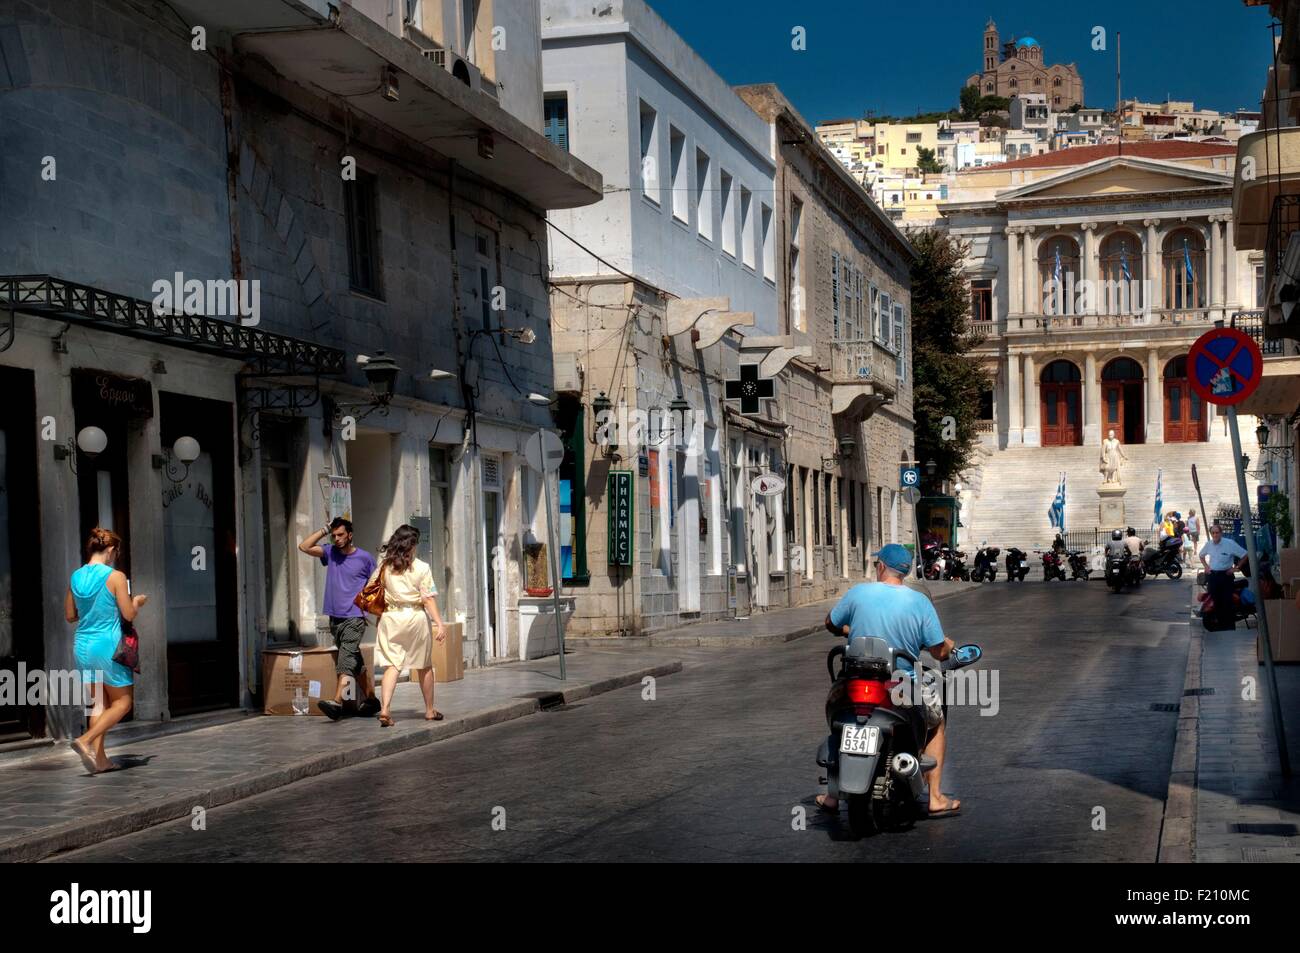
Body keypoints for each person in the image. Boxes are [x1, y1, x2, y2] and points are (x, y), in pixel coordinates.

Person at [818, 544, 959, 818]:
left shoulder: (859, 592)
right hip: (900, 686)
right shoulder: (919, 602)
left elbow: (830, 623)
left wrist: (849, 629)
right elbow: (938, 651)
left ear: (881, 566)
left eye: (876, 564)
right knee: (937, 722)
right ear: (905, 572)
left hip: (855, 680)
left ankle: (832, 797)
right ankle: (936, 797)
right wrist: (948, 646)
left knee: (842, 722)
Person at [66, 528, 147, 775]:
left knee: (100, 703)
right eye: (116, 551)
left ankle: (100, 761)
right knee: (123, 702)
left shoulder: (75, 577)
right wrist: (137, 602)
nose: (116, 555)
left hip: (82, 646)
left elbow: (70, 616)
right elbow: (128, 614)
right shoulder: (116, 577)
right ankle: (85, 739)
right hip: (108, 646)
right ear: (111, 550)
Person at [299, 518, 379, 720]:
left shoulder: (365, 558)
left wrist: (372, 611)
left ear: (350, 535)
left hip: (355, 617)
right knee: (354, 659)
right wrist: (324, 529)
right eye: (334, 535)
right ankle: (371, 699)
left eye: (340, 535)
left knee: (345, 660)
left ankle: (336, 702)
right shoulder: (330, 553)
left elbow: (376, 585)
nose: (337, 539)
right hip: (335, 618)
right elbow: (303, 546)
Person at [368, 524, 447, 727]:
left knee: (392, 665)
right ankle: (429, 710)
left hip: (390, 618)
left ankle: (385, 709)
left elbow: (371, 589)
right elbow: (428, 599)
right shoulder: (421, 567)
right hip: (415, 618)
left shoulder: (385, 566)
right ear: (412, 545)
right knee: (424, 665)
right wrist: (439, 623)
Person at [1200, 522, 1248, 631]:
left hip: (1226, 576)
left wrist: (1236, 568)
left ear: (1221, 533)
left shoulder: (1229, 543)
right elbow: (1201, 555)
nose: (1215, 535)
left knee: (1227, 601)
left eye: (1217, 533)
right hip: (1213, 576)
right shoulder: (1209, 544)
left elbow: (1245, 555)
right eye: (1213, 533)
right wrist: (1206, 566)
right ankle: (1218, 626)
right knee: (1214, 600)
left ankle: (1229, 627)